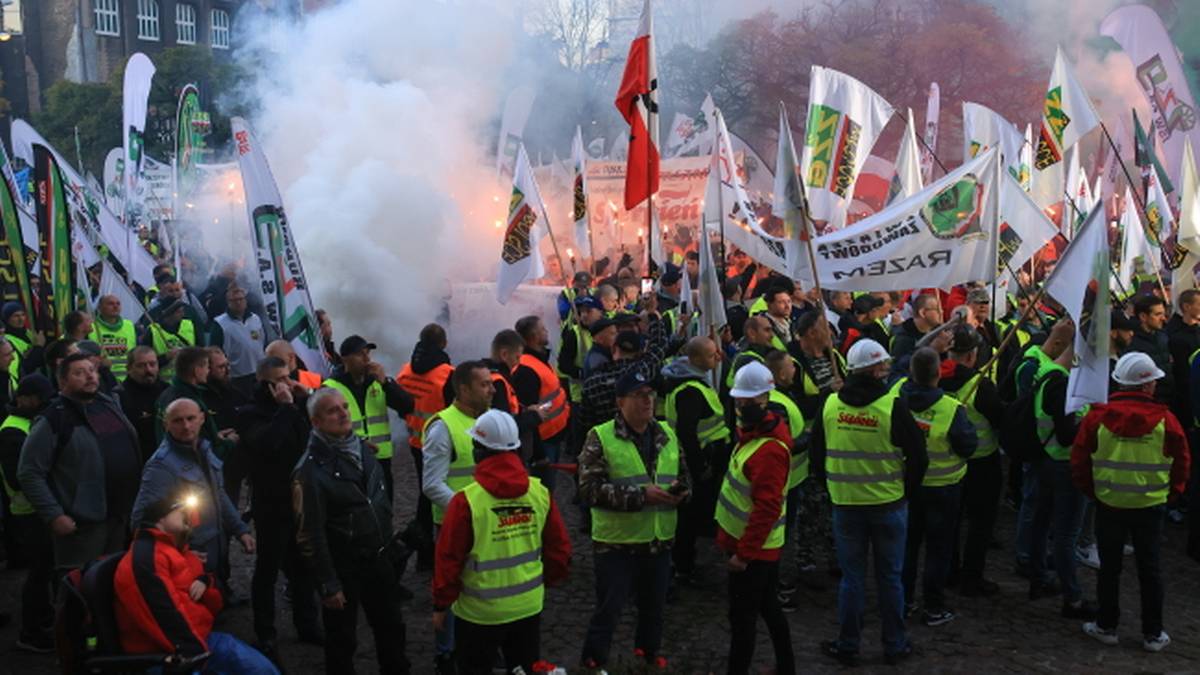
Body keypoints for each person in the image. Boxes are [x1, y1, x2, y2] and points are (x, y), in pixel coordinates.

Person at [810, 339, 927, 666]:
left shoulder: (831, 404)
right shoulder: (892, 406)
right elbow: (919, 457)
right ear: (875, 370)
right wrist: (905, 491)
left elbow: (817, 457)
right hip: (889, 505)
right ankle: (894, 644)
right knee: (890, 578)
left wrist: (834, 486)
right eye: (884, 366)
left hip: (846, 505)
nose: (887, 371)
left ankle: (848, 644)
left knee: (852, 579)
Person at [432, 410, 572, 675]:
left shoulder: (466, 502)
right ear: (517, 449)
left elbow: (448, 559)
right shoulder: (539, 492)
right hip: (528, 607)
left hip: (478, 614)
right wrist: (547, 582)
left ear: (479, 452)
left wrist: (441, 604)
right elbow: (559, 549)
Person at [1072, 352, 1190, 652]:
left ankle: (1106, 625)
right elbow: (1182, 464)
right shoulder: (1167, 421)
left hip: (1109, 503)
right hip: (1151, 506)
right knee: (1150, 569)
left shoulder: (1097, 417)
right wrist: (1170, 493)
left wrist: (1094, 492)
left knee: (1109, 569)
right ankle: (1153, 632)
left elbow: (1080, 461)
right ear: (1148, 385)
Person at [293, 387, 410, 674]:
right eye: (333, 410)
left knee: (392, 629)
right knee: (342, 640)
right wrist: (328, 584)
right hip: (344, 565)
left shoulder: (361, 448)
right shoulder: (309, 471)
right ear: (316, 422)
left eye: (345, 407)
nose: (344, 413)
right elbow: (309, 532)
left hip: (378, 557)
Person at [578, 369, 689, 671]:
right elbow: (588, 490)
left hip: (658, 543)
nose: (647, 401)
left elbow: (683, 477)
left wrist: (681, 494)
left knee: (654, 612)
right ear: (620, 402)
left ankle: (647, 659)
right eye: (639, 396)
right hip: (617, 545)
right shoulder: (601, 436)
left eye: (650, 395)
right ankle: (593, 663)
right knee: (608, 611)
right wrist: (641, 496)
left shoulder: (667, 433)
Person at [114, 491, 279, 674]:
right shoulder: (145, 558)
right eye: (179, 508)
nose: (187, 513)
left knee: (264, 670)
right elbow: (163, 615)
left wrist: (205, 582)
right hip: (168, 655)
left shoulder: (180, 552)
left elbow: (217, 599)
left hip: (201, 639)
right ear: (159, 518)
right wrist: (197, 658)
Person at [18, 353, 140, 571]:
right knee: (79, 589)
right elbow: (29, 472)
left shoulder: (108, 404)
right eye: (79, 373)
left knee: (113, 581)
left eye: (91, 370)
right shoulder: (53, 419)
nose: (90, 377)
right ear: (62, 381)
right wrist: (54, 515)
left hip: (120, 514)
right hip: (83, 525)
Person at [237, 356, 323, 658]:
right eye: (281, 380)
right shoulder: (249, 413)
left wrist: (304, 402)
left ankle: (307, 624)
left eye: (289, 377)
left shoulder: (293, 407)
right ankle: (265, 632)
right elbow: (267, 443)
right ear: (266, 384)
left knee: (303, 568)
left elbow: (309, 439)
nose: (288, 384)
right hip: (270, 502)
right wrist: (287, 408)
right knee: (268, 570)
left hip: (299, 500)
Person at [718, 362, 795, 675]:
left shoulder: (768, 450)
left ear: (764, 400)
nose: (740, 408)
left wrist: (743, 555)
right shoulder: (756, 435)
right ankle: (786, 667)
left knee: (743, 618)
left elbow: (767, 508)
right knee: (768, 607)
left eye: (746, 403)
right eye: (739, 402)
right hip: (755, 545)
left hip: (753, 550)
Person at [422, 360, 494, 672]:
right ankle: (446, 653)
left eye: (490, 383)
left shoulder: (490, 420)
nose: (492, 389)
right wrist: (466, 511)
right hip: (455, 524)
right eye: (484, 384)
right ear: (463, 389)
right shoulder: (443, 426)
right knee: (451, 589)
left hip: (487, 523)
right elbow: (431, 484)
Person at [132, 398, 254, 576]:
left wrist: (240, 530)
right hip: (190, 559)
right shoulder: (161, 466)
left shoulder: (203, 450)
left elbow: (217, 493)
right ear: (166, 424)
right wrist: (177, 553)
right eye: (177, 421)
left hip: (214, 550)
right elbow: (141, 520)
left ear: (202, 418)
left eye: (190, 418)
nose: (186, 426)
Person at [899, 348, 976, 626]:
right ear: (938, 373)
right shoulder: (951, 408)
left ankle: (904, 601)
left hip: (907, 485)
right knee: (938, 549)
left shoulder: (897, 397)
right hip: (943, 488)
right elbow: (968, 446)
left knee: (908, 546)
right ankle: (933, 606)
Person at [1027, 320, 1097, 620]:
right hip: (1063, 464)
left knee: (1042, 524)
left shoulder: (1050, 372)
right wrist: (1093, 422)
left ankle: (1038, 579)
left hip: (1049, 460)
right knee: (1066, 535)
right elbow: (1067, 433)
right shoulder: (1061, 382)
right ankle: (1073, 599)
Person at [661, 336, 730, 586]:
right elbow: (687, 433)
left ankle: (684, 561)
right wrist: (700, 467)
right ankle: (683, 566)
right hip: (698, 461)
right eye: (712, 355)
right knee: (688, 517)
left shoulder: (691, 381)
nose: (718, 357)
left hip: (701, 457)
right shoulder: (690, 391)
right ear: (697, 359)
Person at [941, 328, 1005, 596]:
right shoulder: (980, 386)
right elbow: (1000, 419)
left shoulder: (934, 379)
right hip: (981, 463)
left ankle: (949, 571)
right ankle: (972, 577)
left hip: (946, 461)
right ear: (972, 355)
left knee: (950, 522)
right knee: (980, 524)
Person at [322, 334, 414, 502]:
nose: (366, 359)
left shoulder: (378, 382)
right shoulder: (331, 388)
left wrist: (386, 383)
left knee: (384, 507)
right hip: (349, 460)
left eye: (367, 353)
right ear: (345, 360)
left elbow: (407, 406)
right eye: (360, 354)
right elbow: (326, 430)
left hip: (381, 460)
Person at [1, 374, 56, 652]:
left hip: (39, 510)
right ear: (23, 398)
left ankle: (44, 619)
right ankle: (31, 631)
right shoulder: (13, 430)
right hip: (29, 512)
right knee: (39, 573)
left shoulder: (30, 422)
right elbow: (17, 478)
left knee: (45, 570)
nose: (42, 405)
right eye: (38, 399)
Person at [396, 323, 456, 567]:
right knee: (433, 496)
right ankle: (422, 549)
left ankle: (423, 551)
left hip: (415, 440)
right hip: (439, 444)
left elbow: (401, 404)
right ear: (443, 343)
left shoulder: (405, 370)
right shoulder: (447, 374)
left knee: (425, 493)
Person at [513, 315, 570, 484]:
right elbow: (528, 414)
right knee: (544, 490)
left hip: (553, 436)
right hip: (544, 442)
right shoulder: (526, 370)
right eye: (543, 329)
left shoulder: (539, 360)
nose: (547, 332)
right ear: (534, 337)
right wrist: (539, 455)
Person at [155, 346, 238, 458]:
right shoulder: (189, 403)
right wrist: (229, 443)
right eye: (207, 367)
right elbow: (199, 449)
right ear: (197, 370)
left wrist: (215, 437)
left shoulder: (165, 395)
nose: (208, 371)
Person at [208, 285, 266, 396]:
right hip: (237, 376)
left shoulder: (255, 318)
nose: (238, 302)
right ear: (228, 302)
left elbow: (263, 341)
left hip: (258, 372)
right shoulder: (220, 323)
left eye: (241, 299)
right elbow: (215, 350)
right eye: (234, 300)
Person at [116, 346, 168, 464]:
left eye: (152, 364)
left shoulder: (168, 391)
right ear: (129, 368)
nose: (148, 370)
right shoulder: (119, 397)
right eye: (141, 366)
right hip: (136, 463)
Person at [141, 299, 198, 381]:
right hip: (163, 382)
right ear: (169, 314)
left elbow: (200, 348)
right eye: (179, 312)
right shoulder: (153, 331)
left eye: (182, 311)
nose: (183, 314)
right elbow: (145, 361)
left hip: (187, 379)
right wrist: (166, 357)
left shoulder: (189, 325)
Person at [1128, 294, 1172, 402]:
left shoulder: (1163, 335)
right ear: (1143, 316)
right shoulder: (1133, 343)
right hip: (1151, 401)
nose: (1163, 318)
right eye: (1157, 314)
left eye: (1163, 313)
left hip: (1171, 397)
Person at [88, 294, 138, 381]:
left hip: (128, 380)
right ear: (100, 308)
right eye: (110, 304)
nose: (115, 306)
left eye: (118, 304)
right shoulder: (91, 327)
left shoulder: (130, 325)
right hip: (103, 380)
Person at [891, 293, 942, 363]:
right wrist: (932, 349)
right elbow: (900, 367)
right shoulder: (903, 339)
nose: (941, 312)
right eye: (937, 309)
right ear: (923, 313)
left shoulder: (936, 332)